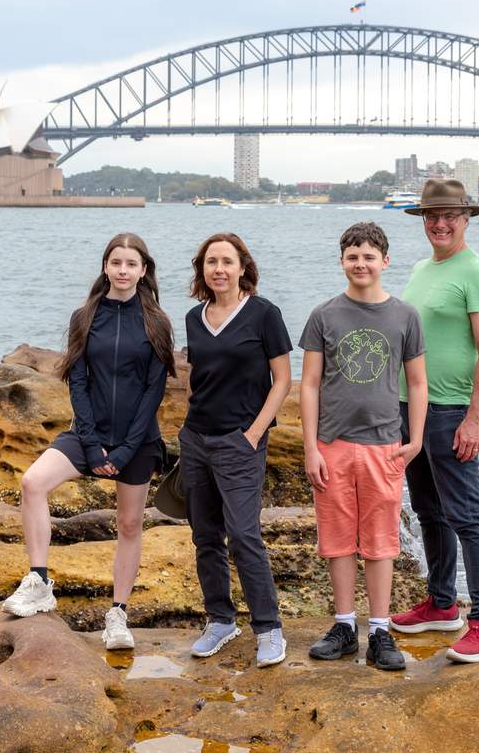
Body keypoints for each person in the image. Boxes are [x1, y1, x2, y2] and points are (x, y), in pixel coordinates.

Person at [2, 233, 176, 652]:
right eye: (115, 262)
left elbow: (153, 393)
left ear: (143, 270)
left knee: (130, 524)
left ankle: (117, 614)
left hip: (136, 440)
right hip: (88, 434)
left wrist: (123, 451)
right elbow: (77, 382)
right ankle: (40, 581)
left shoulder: (157, 322)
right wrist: (94, 446)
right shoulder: (85, 316)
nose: (122, 270)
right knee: (33, 483)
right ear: (105, 267)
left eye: (130, 264)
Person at [300, 222, 428, 671]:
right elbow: (310, 384)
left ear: (385, 261)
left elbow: (416, 380)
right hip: (332, 444)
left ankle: (379, 629)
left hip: (384, 446)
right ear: (342, 262)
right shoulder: (324, 315)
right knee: (336, 541)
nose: (361, 264)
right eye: (352, 256)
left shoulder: (405, 316)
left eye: (369, 256)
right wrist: (310, 447)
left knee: (380, 541)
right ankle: (342, 627)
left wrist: (414, 440)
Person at [390, 179, 479, 663]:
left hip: (452, 410)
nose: (439, 224)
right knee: (428, 510)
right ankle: (441, 603)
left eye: (449, 216)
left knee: (467, 515)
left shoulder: (476, 273)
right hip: (410, 408)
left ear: (466, 219)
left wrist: (474, 418)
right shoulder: (421, 268)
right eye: (431, 217)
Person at [181, 233, 293, 668]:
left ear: (243, 267)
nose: (219, 269)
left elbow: (282, 379)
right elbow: (198, 376)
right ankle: (220, 620)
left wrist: (254, 433)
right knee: (205, 535)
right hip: (196, 440)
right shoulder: (195, 317)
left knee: (245, 536)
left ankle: (268, 628)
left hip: (241, 441)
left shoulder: (265, 314)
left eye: (227, 261)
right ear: (202, 269)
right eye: (211, 262)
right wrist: (188, 430)